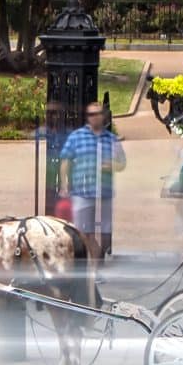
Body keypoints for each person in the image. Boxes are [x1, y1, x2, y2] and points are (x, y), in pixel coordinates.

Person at [56, 102, 126, 256]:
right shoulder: (77, 137)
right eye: (91, 114)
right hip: (82, 191)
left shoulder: (111, 139)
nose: (95, 117)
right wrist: (64, 183)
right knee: (83, 231)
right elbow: (65, 160)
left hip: (104, 192)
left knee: (105, 233)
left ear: (103, 116)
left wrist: (111, 165)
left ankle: (99, 257)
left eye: (98, 114)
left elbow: (122, 163)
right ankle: (93, 261)